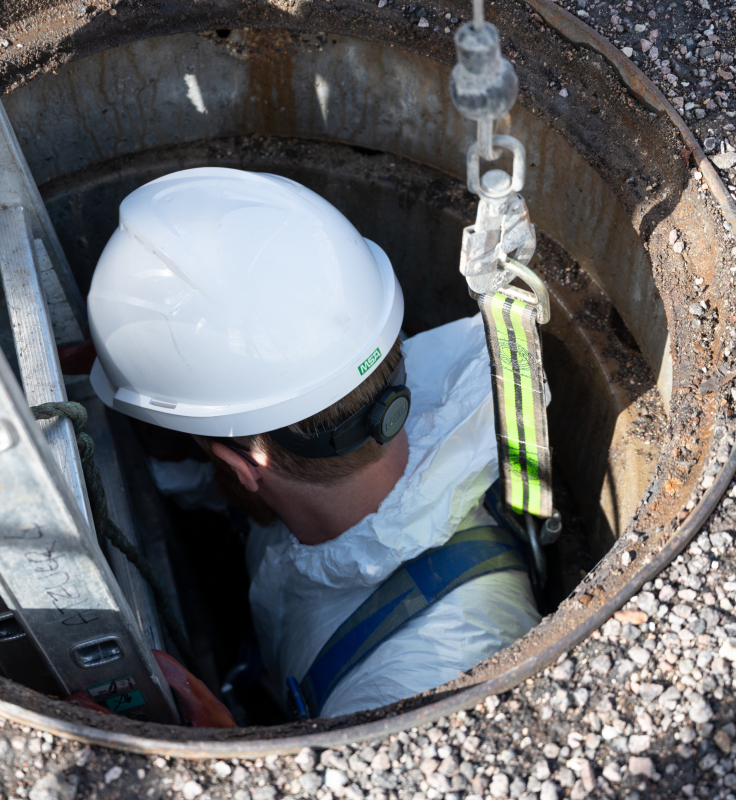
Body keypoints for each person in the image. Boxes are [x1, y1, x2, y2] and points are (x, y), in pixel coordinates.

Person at [86, 167, 541, 722]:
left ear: (242, 462)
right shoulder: (332, 478)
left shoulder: (430, 678)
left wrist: (230, 762)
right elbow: (239, 493)